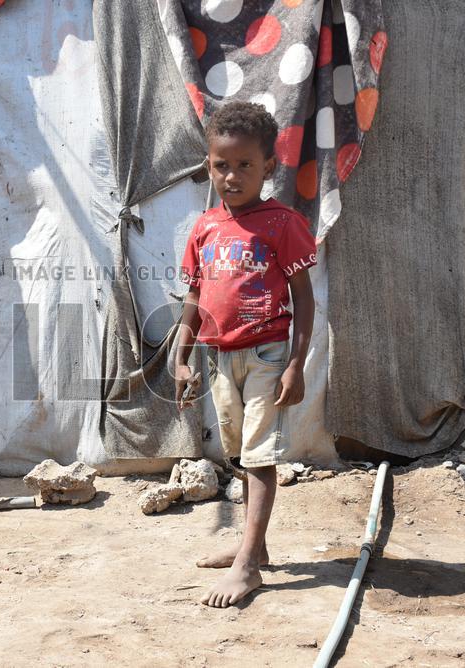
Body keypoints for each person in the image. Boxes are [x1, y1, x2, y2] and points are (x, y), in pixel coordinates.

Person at [175, 101, 317, 608]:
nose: (231, 176)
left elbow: (304, 297)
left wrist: (296, 364)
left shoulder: (282, 223)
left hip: (267, 353)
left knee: (259, 456)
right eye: (221, 165)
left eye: (245, 166)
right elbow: (195, 296)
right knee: (238, 453)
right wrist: (182, 355)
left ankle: (248, 566)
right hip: (219, 357)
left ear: (268, 167)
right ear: (208, 164)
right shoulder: (206, 227)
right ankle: (252, 544)